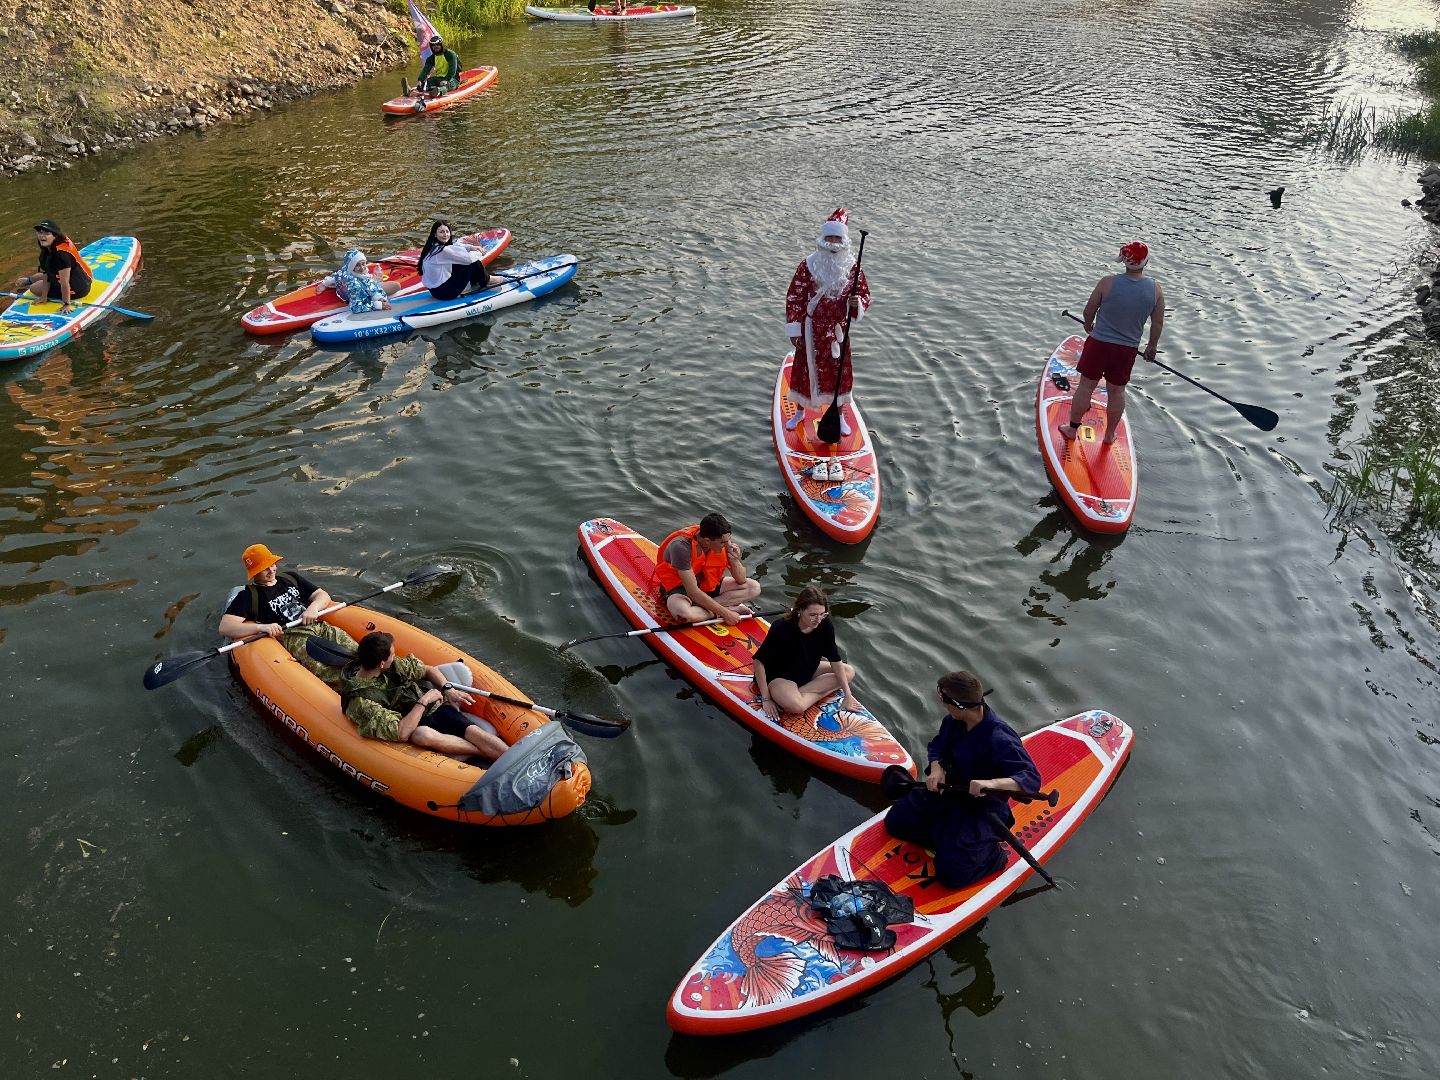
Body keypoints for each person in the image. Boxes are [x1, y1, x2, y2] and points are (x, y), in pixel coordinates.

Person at [884, 670, 1041, 889]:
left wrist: (991, 784)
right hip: (948, 793)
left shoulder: (1000, 737)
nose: (942, 705)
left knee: (952, 877)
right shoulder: (953, 721)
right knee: (895, 823)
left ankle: (990, 856)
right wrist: (937, 769)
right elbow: (938, 745)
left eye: (944, 700)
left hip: (980, 809)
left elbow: (1031, 779)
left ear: (959, 705)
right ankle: (946, 838)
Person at [337, 631, 510, 760]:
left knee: (473, 732)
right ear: (382, 663)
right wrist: (424, 700)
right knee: (422, 735)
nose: (395, 656)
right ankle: (482, 752)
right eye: (392, 654)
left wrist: (447, 688)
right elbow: (402, 733)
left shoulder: (391, 666)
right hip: (409, 723)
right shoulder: (360, 700)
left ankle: (508, 757)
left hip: (434, 711)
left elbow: (427, 669)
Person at [1060, 241, 1165, 446]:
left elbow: (1088, 311)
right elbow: (1157, 323)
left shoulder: (1107, 282)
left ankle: (1072, 429)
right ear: (1146, 262)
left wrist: (1089, 324)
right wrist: (1151, 347)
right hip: (1126, 351)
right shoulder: (1155, 290)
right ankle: (1109, 436)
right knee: (1117, 392)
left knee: (1086, 387)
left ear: (1123, 261)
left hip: (1098, 344)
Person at [784, 208, 870, 439]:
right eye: (830, 237)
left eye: (837, 238)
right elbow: (795, 296)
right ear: (822, 239)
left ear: (844, 240)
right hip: (811, 329)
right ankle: (799, 411)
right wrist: (795, 329)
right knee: (803, 370)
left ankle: (839, 415)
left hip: (838, 332)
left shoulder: (853, 268)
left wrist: (856, 304)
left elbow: (864, 295)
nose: (833, 242)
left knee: (839, 374)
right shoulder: (808, 265)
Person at [218, 543, 358, 685]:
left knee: (358, 651)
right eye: (264, 568)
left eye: (272, 564)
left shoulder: (290, 578)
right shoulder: (248, 596)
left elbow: (322, 595)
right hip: (295, 637)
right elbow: (226, 627)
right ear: (255, 572)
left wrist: (313, 608)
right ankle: (355, 686)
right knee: (328, 671)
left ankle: (375, 673)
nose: (271, 570)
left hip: (318, 626)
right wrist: (262, 627)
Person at [753, 586, 859, 719]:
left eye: (822, 614)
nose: (818, 620)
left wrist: (847, 695)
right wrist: (766, 699)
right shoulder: (781, 628)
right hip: (780, 677)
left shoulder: (824, 624)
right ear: (799, 610)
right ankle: (798, 695)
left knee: (849, 671)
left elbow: (834, 659)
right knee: (797, 707)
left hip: (807, 670)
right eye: (813, 615)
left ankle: (798, 693)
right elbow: (758, 662)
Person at [654, 512, 762, 625]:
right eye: (723, 542)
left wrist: (734, 560)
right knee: (683, 615)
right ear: (707, 541)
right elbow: (693, 593)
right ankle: (717, 611)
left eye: (728, 540)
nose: (727, 545)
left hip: (707, 586)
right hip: (681, 589)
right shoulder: (681, 547)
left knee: (754, 587)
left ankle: (706, 610)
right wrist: (726, 614)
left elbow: (741, 580)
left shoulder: (720, 542)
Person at [12, 220, 93, 314]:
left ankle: (31, 282)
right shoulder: (48, 247)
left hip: (78, 289)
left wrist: (66, 304)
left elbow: (65, 283)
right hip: (77, 276)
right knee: (39, 276)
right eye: (40, 232)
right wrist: (44, 296)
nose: (42, 236)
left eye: (46, 233)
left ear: (55, 236)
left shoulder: (61, 255)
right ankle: (29, 280)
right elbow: (47, 273)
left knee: (34, 288)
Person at [417, 220, 492, 302]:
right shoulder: (443, 250)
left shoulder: (431, 247)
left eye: (447, 232)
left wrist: (471, 247)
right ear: (435, 234)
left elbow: (455, 248)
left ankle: (478, 281)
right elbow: (469, 259)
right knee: (473, 263)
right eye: (441, 232)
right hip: (446, 293)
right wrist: (481, 251)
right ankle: (487, 280)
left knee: (459, 262)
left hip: (434, 292)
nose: (445, 235)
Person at [320, 248, 400, 313]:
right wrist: (379, 305)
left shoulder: (346, 270)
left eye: (363, 264)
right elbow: (356, 307)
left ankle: (379, 294)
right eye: (357, 265)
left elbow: (336, 275)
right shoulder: (354, 285)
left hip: (363, 288)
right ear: (352, 266)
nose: (362, 268)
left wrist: (324, 283)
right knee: (396, 286)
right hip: (361, 295)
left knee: (395, 286)